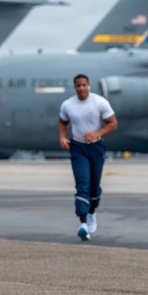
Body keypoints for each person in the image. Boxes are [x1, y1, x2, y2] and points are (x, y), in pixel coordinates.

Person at [58, 74, 118, 241]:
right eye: (78, 85)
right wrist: (63, 138)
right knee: (82, 182)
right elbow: (62, 123)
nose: (81, 88)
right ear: (74, 87)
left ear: (89, 86)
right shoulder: (68, 105)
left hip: (96, 146)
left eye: (84, 85)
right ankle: (83, 222)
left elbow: (113, 123)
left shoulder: (100, 102)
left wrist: (96, 134)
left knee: (94, 186)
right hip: (78, 147)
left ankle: (91, 212)